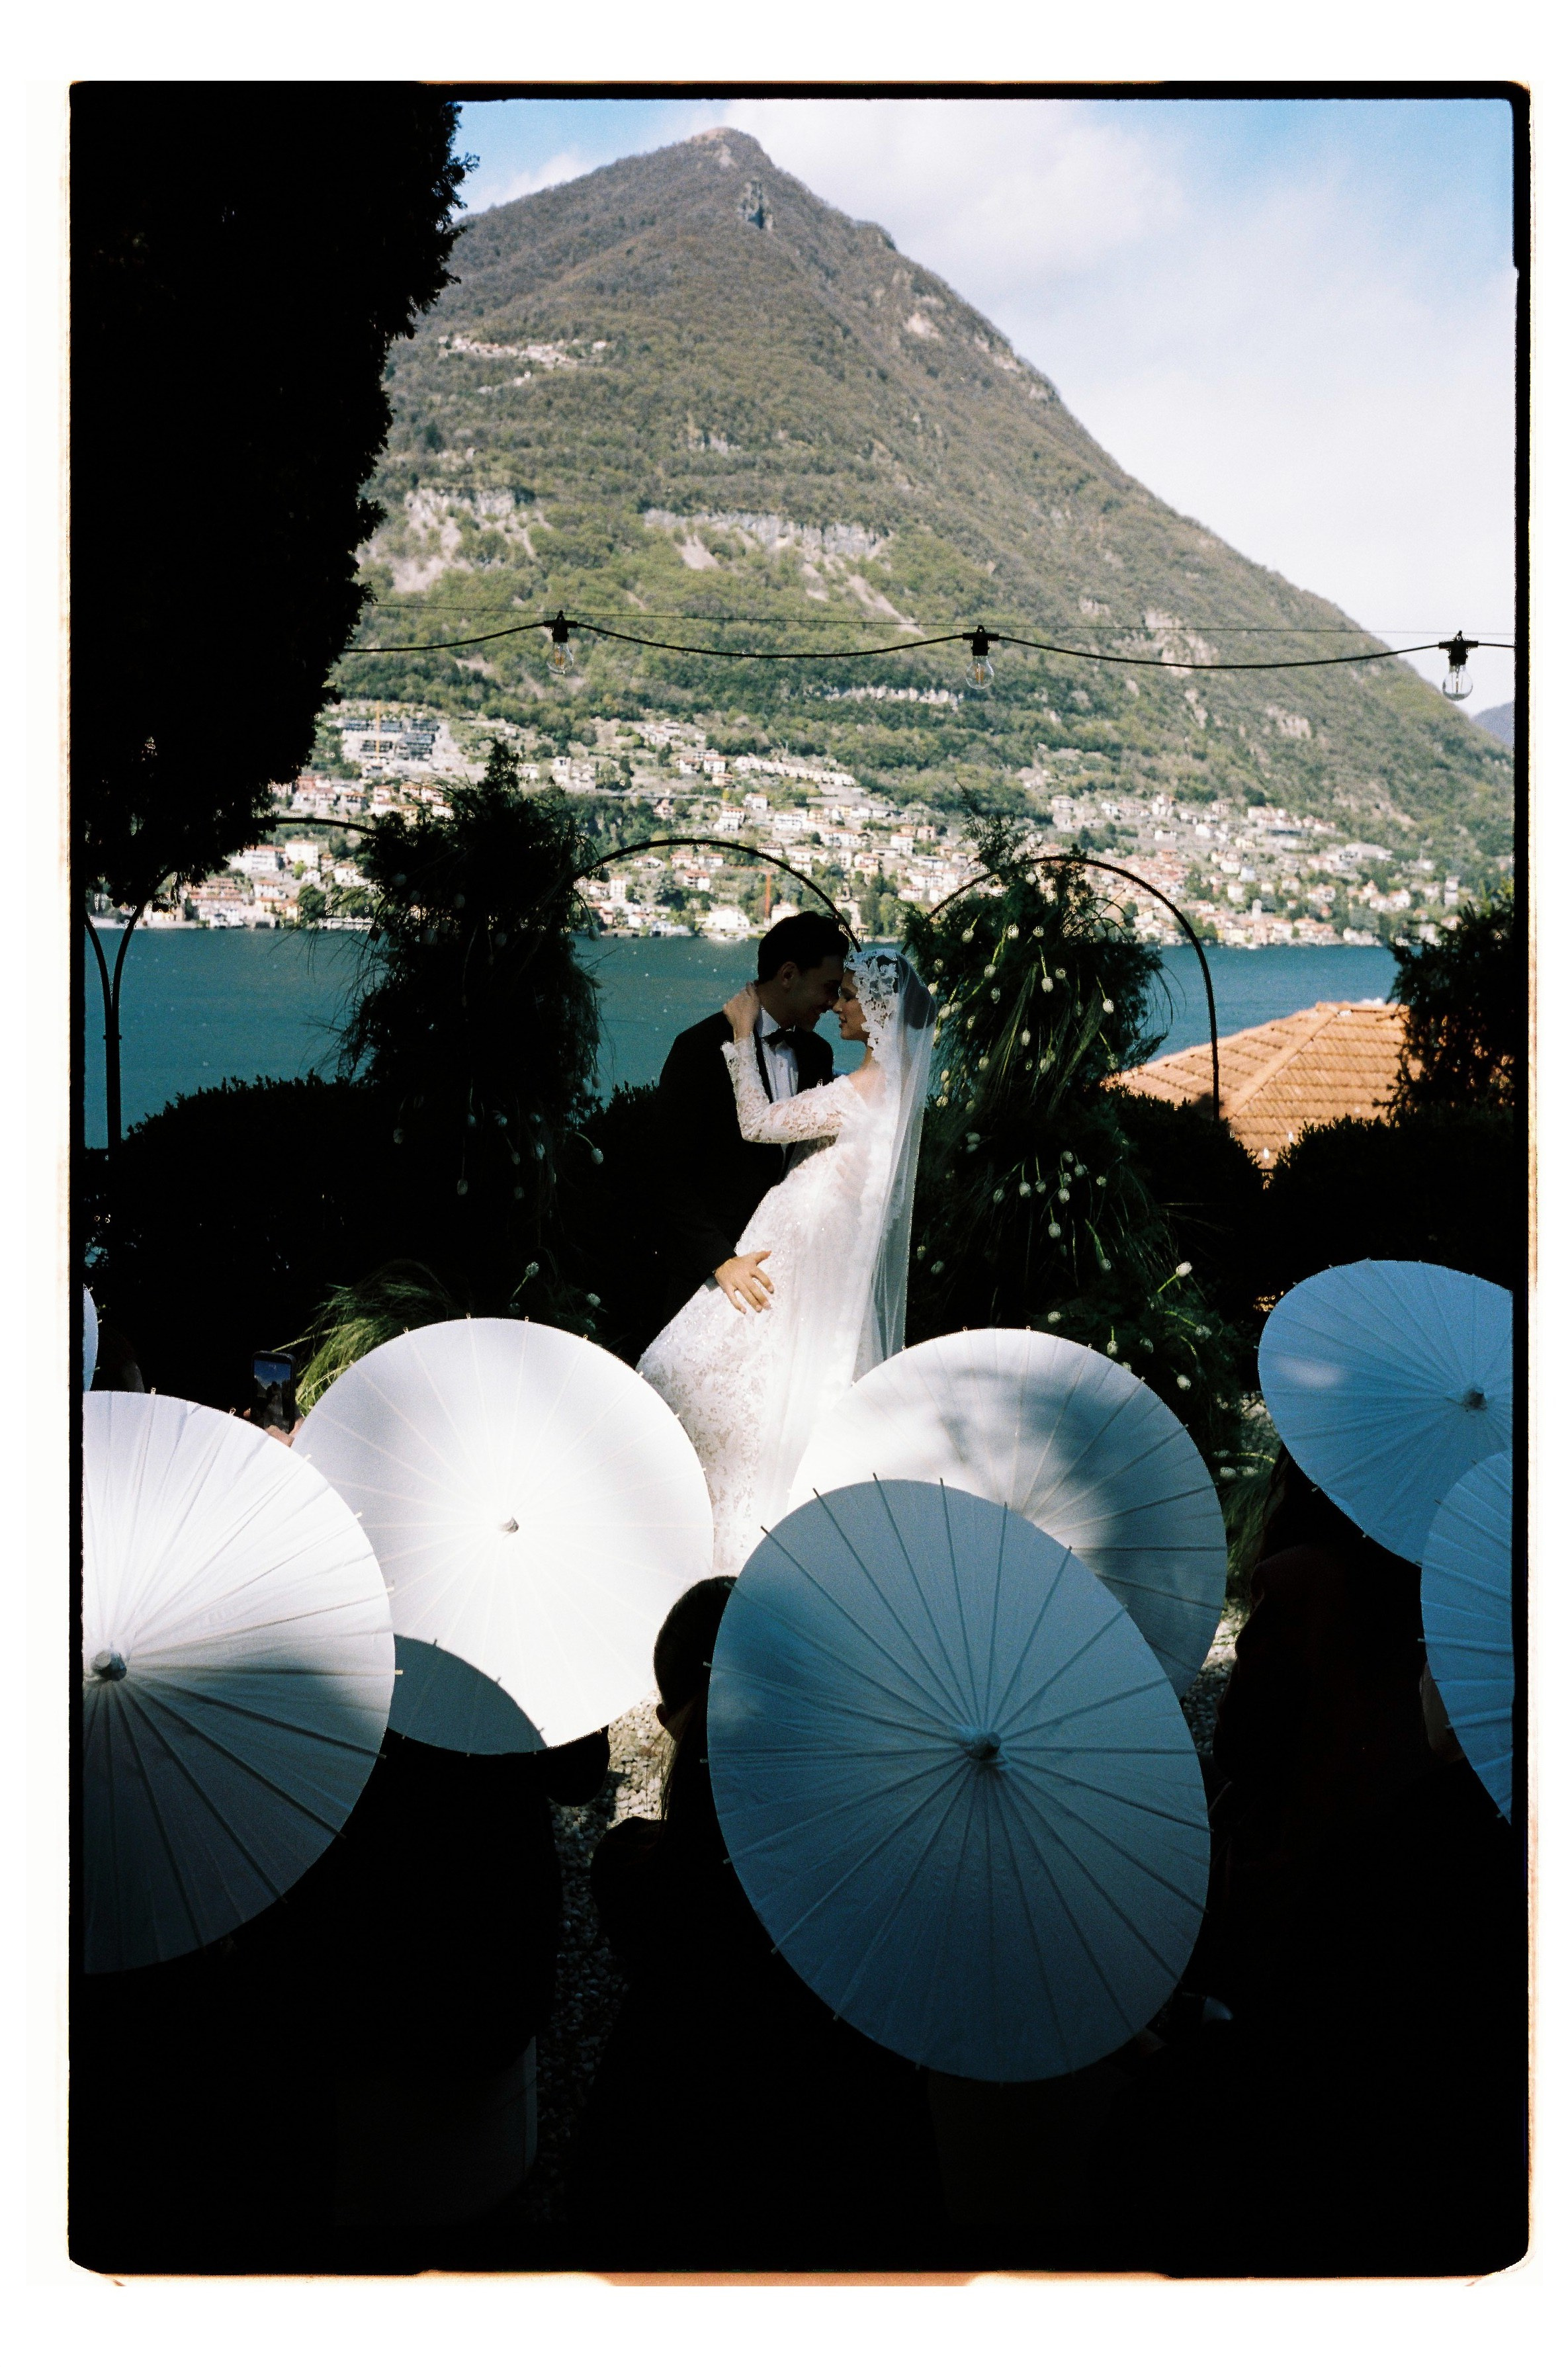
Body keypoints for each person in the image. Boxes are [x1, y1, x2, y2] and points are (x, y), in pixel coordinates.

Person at [564, 1580, 943, 2271]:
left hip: (669, 2183)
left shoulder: (633, 1871)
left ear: (676, 1717)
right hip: (852, 2186)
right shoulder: (885, 1864)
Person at [640, 945, 935, 1571]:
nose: (838, 1008)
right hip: (803, 1251)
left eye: (849, 996)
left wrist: (742, 1035)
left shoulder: (858, 1089)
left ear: (878, 1013)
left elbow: (758, 1122)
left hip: (797, 1254)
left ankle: (720, 1547)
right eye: (837, 991)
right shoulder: (888, 1093)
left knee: (693, 1375)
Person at [648, 909, 849, 1328]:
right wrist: (720, 1262)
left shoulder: (818, 1054)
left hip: (783, 1275)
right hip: (707, 1278)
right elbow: (664, 1171)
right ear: (789, 974)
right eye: (829, 988)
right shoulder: (699, 1048)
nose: (833, 1005)